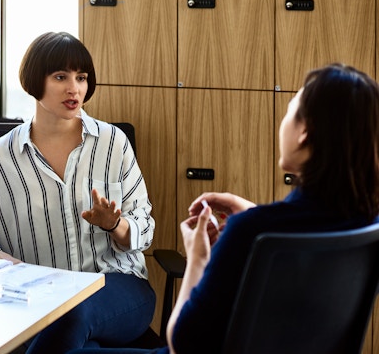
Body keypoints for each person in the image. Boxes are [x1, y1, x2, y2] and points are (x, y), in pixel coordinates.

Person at [66, 63, 379, 354]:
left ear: (304, 133)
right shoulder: (366, 223)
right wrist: (257, 216)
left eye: (289, 111)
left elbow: (183, 343)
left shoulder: (252, 231)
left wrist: (197, 259)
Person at [0, 31, 156, 353]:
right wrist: (0, 259)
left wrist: (115, 225)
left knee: (69, 316)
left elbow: (144, 228)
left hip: (115, 284)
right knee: (75, 343)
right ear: (35, 80)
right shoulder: (1, 155)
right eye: (61, 76)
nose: (74, 88)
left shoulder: (113, 143)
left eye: (82, 77)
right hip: (36, 294)